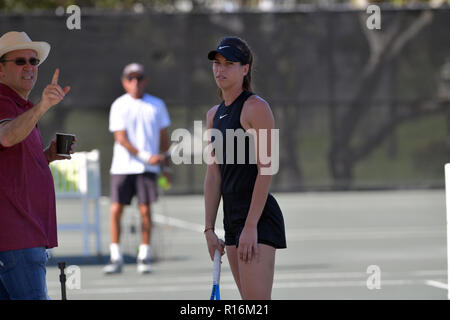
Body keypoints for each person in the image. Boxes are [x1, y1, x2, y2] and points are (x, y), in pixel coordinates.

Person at [203, 36, 287, 300]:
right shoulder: (213, 115)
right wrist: (208, 229)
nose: (220, 69)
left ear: (245, 69)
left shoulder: (256, 108)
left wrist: (251, 226)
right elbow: (213, 173)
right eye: (217, 63)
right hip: (232, 220)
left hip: (258, 218)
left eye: (229, 63)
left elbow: (267, 167)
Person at [0, 31, 74, 300]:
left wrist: (46, 156)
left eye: (34, 62)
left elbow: (11, 163)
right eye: (20, 61)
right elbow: (6, 136)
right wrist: (43, 106)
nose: (30, 68)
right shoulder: (4, 101)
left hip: (18, 236)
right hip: (17, 236)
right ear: (1, 68)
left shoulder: (20, 106)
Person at [104, 63, 171, 274]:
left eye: (139, 78)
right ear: (124, 82)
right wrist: (145, 156)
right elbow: (121, 139)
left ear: (145, 81)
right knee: (116, 210)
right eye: (130, 78)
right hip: (122, 167)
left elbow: (163, 140)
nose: (135, 82)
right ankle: (116, 256)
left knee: (145, 211)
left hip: (148, 171)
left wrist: (166, 169)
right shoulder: (118, 105)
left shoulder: (157, 105)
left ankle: (144, 255)